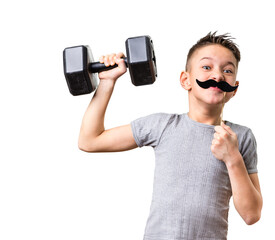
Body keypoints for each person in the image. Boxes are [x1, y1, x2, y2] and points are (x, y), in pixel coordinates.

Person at [78, 32, 263, 240]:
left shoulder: (241, 137)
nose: (218, 76)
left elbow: (251, 214)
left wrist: (232, 158)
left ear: (234, 89)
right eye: (206, 67)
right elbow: (89, 141)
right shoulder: (162, 125)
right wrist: (106, 82)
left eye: (227, 70)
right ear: (186, 80)